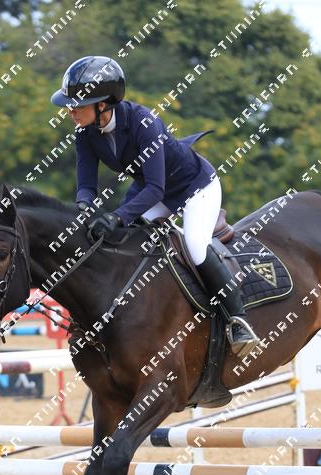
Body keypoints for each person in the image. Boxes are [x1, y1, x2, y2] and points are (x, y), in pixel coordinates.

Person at [51, 55, 261, 356]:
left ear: (103, 105)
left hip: (194, 186)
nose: (70, 111)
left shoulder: (143, 123)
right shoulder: (85, 132)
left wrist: (117, 216)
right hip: (152, 189)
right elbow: (86, 185)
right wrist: (84, 208)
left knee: (196, 246)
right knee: (122, 241)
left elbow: (155, 188)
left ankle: (237, 320)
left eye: (77, 105)